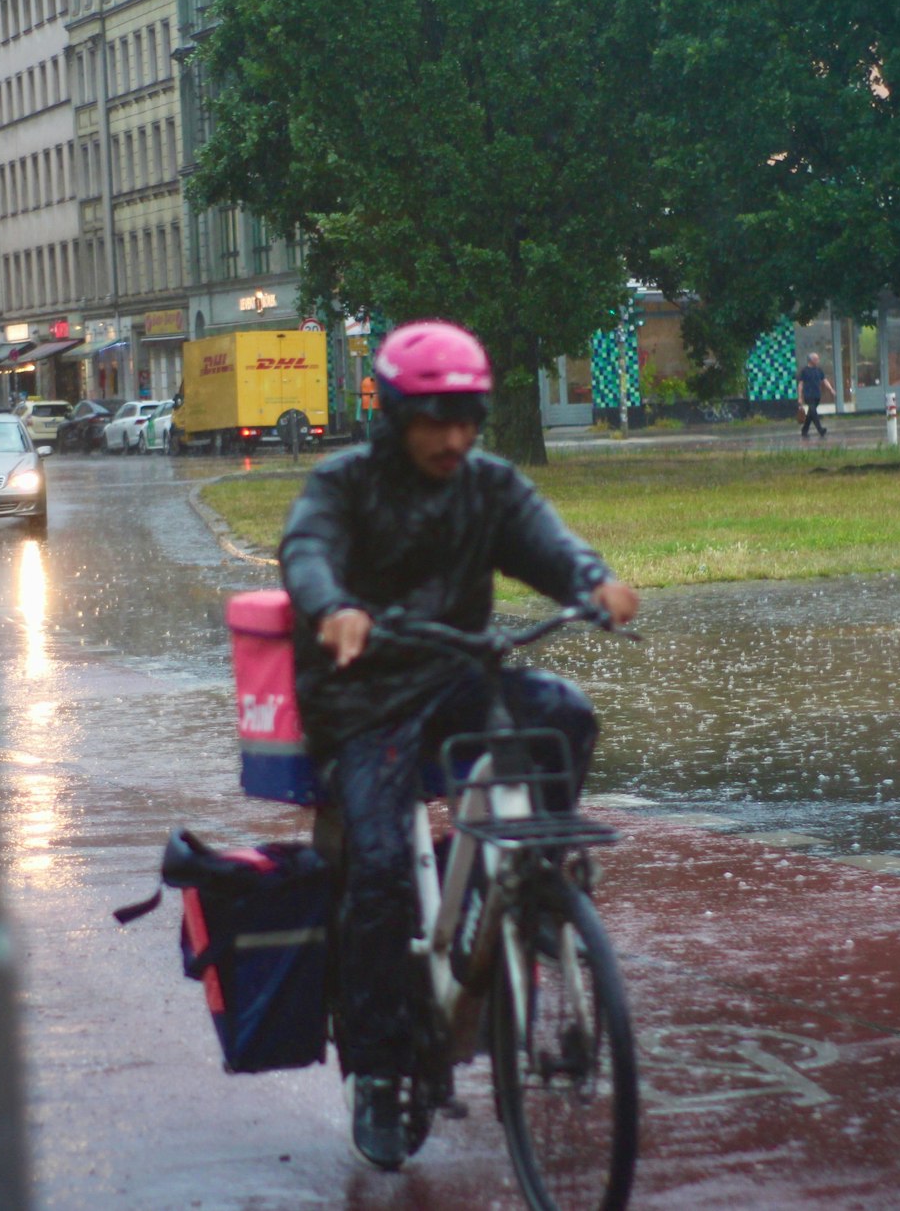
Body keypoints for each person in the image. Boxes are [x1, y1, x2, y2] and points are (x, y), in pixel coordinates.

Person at [277, 319, 640, 1171]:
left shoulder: (489, 485)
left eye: (465, 418)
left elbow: (544, 542)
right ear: (395, 416)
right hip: (366, 699)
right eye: (433, 419)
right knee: (374, 870)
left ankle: (535, 881)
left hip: (457, 676)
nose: (453, 437)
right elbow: (307, 552)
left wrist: (590, 580)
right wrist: (334, 607)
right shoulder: (344, 483)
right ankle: (376, 1068)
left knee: (565, 712)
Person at [799, 352, 829, 439]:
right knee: (813, 412)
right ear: (811, 360)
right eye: (816, 359)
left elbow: (824, 380)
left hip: (817, 395)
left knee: (810, 414)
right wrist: (800, 397)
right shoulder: (804, 371)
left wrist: (831, 389)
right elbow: (800, 384)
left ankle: (804, 430)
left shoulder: (819, 370)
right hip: (808, 395)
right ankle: (820, 430)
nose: (818, 361)